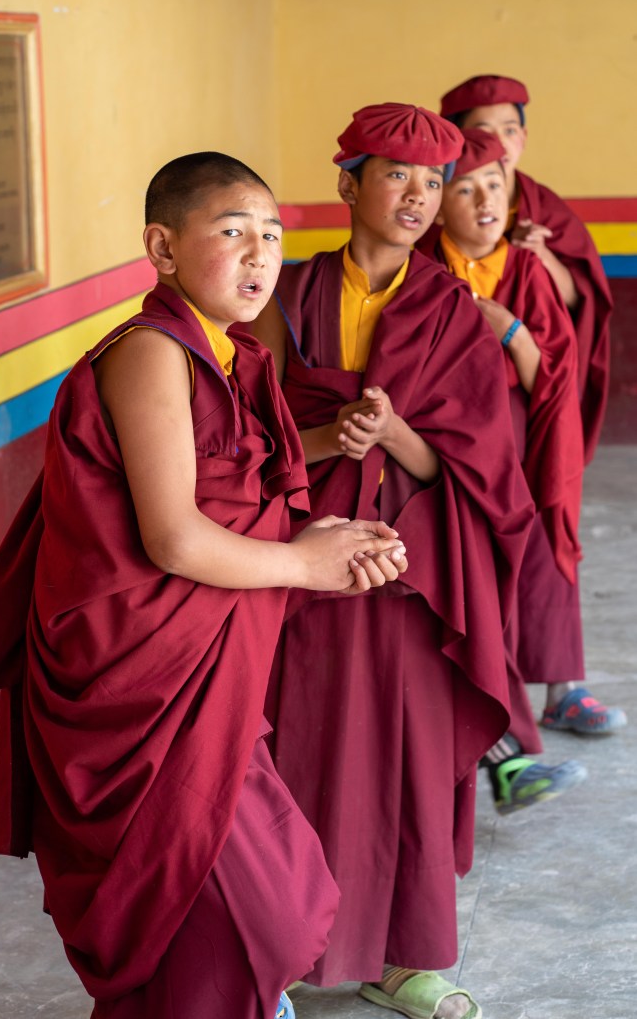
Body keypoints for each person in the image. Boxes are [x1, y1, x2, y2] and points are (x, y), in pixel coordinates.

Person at [0, 152, 411, 1019]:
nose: (259, 254)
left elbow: (234, 489)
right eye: (232, 231)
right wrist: (304, 565)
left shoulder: (231, 358)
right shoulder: (150, 355)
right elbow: (173, 536)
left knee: (269, 898)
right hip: (135, 684)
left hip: (197, 684)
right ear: (162, 248)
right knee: (221, 910)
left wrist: (324, 540)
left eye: (271, 234)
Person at [252, 103, 535, 1019]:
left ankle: (405, 957)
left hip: (412, 566)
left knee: (406, 760)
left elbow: (481, 465)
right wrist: (333, 432)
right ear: (348, 184)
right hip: (299, 560)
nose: (418, 196)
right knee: (291, 747)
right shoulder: (288, 294)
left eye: (432, 181)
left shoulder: (452, 311)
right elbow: (249, 432)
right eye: (396, 175)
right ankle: (279, 948)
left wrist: (395, 433)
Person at [430, 73, 626, 736]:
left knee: (547, 529)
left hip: (532, 418)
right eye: (481, 134)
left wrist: (516, 323)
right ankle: (486, 698)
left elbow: (581, 305)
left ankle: (561, 688)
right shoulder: (427, 247)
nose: (498, 148)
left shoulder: (537, 215)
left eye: (509, 131)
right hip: (454, 433)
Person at [425, 129, 591, 812]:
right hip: (450, 456)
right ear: (438, 205)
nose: (483, 201)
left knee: (518, 576)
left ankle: (518, 738)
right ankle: (502, 752)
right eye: (463, 189)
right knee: (472, 591)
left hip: (519, 450)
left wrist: (512, 332)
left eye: (493, 185)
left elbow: (553, 375)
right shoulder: (424, 271)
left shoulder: (523, 270)